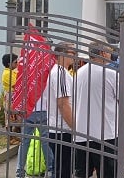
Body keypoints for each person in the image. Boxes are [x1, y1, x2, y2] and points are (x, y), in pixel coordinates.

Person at [74, 42, 119, 177]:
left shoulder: (79, 73)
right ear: (102, 53)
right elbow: (123, 98)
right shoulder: (111, 74)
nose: (111, 54)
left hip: (82, 131)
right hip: (105, 132)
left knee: (82, 172)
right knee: (107, 172)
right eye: (109, 51)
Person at [15, 51, 56, 178]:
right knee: (46, 142)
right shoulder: (49, 73)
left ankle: (20, 171)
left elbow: (20, 89)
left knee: (25, 141)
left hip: (29, 110)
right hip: (44, 109)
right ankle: (50, 170)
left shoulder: (28, 73)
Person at [47, 43, 76, 178]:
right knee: (63, 170)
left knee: (61, 168)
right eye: (72, 52)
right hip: (62, 129)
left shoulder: (60, 72)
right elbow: (63, 104)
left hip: (60, 128)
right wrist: (75, 127)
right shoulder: (60, 73)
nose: (74, 55)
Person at [1, 53, 19, 145]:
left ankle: (14, 136)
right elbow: (16, 84)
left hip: (14, 96)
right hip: (10, 96)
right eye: (15, 62)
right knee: (9, 117)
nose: (17, 64)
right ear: (9, 63)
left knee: (15, 117)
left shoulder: (13, 72)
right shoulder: (7, 74)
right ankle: (10, 138)